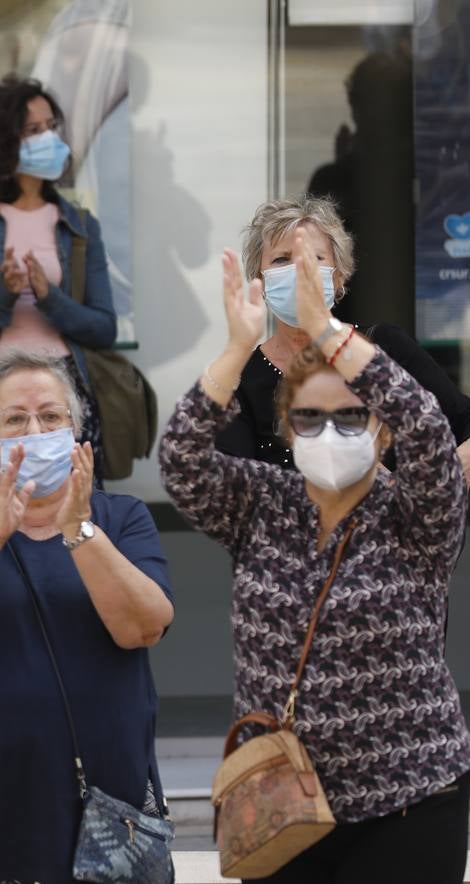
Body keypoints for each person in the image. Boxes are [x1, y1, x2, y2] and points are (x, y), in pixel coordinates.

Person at [159, 234, 470, 883]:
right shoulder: (261, 503)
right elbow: (182, 461)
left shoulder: (417, 511)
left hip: (408, 803)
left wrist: (326, 332)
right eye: (309, 418)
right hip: (281, 805)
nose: (330, 434)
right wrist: (237, 347)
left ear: (382, 429)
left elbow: (431, 427)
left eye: (352, 417)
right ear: (285, 425)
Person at [0, 349, 172, 883]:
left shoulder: (123, 518)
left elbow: (144, 625)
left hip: (104, 807)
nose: (35, 430)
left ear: (76, 431)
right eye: (15, 420)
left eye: (51, 416)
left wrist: (79, 530)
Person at [0, 76, 116, 502]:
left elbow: (103, 328)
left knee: (76, 513)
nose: (48, 139)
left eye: (51, 126)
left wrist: (49, 297)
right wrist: (2, 292)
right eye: (33, 131)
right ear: (1, 141)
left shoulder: (80, 224)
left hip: (64, 392)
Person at [216, 195, 470, 481]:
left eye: (314, 258)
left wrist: (439, 482)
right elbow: (233, 491)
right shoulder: (240, 381)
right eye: (282, 259)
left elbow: (462, 421)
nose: (300, 271)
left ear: (339, 276)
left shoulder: (385, 346)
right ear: (259, 280)